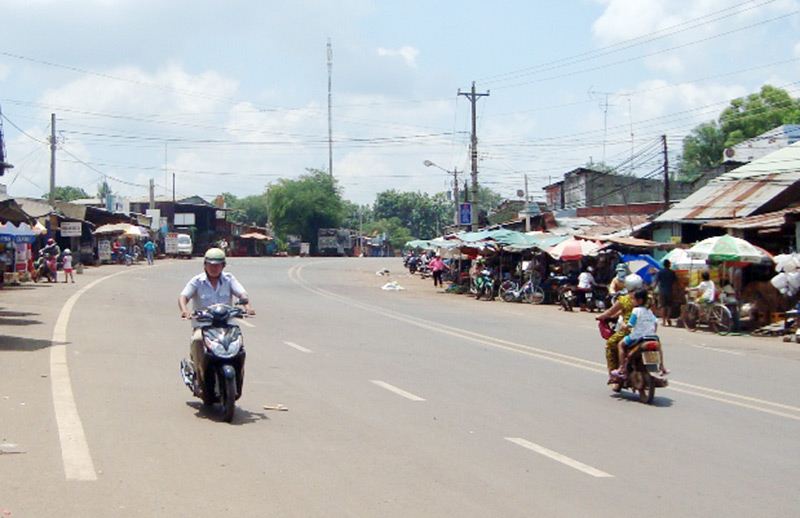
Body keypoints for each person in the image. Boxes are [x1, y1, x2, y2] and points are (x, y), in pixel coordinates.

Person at [178, 248, 255, 378]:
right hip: (204, 325)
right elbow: (183, 297)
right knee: (197, 339)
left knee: (239, 343)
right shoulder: (197, 281)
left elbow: (242, 294)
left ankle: (239, 372)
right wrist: (185, 311)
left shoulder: (229, 279)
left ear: (223, 266)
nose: (213, 268)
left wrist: (247, 307)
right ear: (205, 265)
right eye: (210, 265)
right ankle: (198, 370)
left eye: (217, 265)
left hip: (227, 325)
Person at [596, 274, 642, 383]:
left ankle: (614, 374)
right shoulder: (649, 298)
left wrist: (600, 317)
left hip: (629, 331)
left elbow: (610, 312)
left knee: (610, 343)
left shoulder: (625, 299)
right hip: (647, 331)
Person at [612, 289, 668, 377]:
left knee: (621, 345)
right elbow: (655, 323)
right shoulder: (649, 311)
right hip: (652, 337)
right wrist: (651, 331)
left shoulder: (636, 310)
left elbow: (630, 324)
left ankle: (622, 368)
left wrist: (623, 325)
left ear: (639, 300)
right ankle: (662, 367)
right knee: (658, 348)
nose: (632, 300)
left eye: (633, 299)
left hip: (637, 336)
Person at [654, 259, 678, 326]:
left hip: (662, 291)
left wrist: (652, 290)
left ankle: (663, 321)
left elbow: (656, 282)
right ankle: (668, 318)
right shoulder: (672, 273)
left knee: (662, 306)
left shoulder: (660, 272)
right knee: (669, 306)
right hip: (670, 291)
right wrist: (675, 291)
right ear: (669, 265)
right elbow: (675, 283)